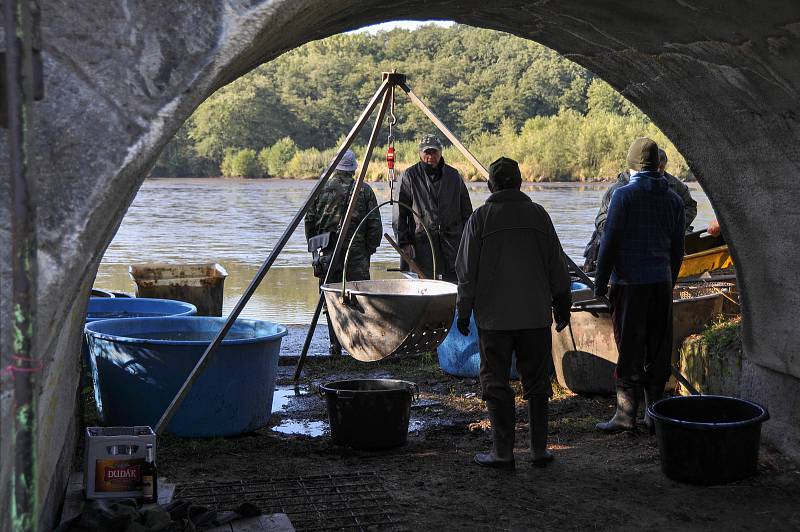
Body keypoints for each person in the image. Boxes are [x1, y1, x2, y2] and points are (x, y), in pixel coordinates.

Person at [455, 157, 572, 469]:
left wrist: (463, 311)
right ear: (520, 182)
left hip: (494, 319)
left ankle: (503, 452)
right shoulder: (538, 215)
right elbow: (557, 265)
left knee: (495, 380)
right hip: (534, 316)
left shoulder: (480, 219)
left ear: (491, 185)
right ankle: (538, 451)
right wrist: (563, 303)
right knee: (536, 380)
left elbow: (466, 273)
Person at [593, 138, 685, 433]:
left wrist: (600, 283)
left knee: (630, 348)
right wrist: (668, 279)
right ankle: (654, 416)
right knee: (657, 349)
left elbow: (609, 243)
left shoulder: (623, 196)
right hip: (661, 283)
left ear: (632, 165)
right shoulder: (674, 199)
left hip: (630, 285)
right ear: (658, 165)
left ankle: (625, 415)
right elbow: (678, 249)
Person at [305, 150, 381, 356]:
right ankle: (359, 346)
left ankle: (335, 344)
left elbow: (309, 222)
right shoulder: (364, 191)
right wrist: (369, 250)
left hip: (327, 254)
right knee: (359, 299)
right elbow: (375, 225)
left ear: (335, 166)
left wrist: (315, 247)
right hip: (357, 256)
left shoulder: (320, 189)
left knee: (331, 298)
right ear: (354, 167)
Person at [583, 148, 697, 272]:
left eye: (661, 168)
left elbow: (690, 206)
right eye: (654, 167)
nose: (658, 171)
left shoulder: (675, 186)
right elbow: (601, 219)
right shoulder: (619, 190)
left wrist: (673, 226)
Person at [393, 134, 473, 282]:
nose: (431, 156)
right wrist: (404, 243)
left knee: (454, 284)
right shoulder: (409, 176)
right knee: (424, 285)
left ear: (441, 152)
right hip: (421, 244)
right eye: (427, 152)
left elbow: (467, 212)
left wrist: (468, 242)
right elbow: (399, 213)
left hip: (452, 244)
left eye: (434, 152)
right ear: (420, 153)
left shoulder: (454, 176)